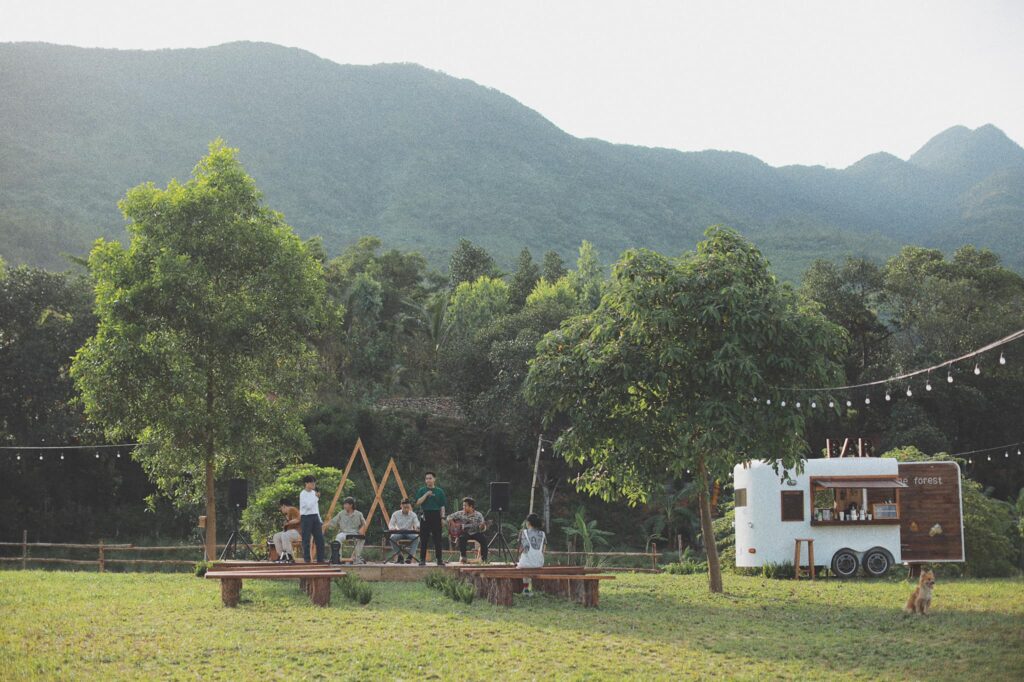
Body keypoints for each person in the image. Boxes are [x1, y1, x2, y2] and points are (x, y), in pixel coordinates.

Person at [414, 471, 447, 566]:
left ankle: (439, 559)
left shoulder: (439, 491)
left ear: (434, 479)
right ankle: (422, 559)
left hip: (436, 515)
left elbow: (442, 506)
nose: (428, 480)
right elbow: (418, 502)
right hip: (425, 514)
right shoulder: (422, 490)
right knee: (424, 538)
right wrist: (426, 494)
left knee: (438, 539)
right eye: (426, 478)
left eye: (430, 478)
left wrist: (443, 518)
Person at [324, 496, 367, 564]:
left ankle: (356, 557)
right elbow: (333, 522)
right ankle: (338, 558)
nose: (344, 506)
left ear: (351, 505)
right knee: (338, 538)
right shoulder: (341, 513)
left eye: (346, 504)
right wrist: (324, 526)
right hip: (344, 533)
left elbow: (364, 523)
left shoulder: (358, 514)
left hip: (355, 532)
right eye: (344, 504)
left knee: (362, 538)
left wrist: (362, 530)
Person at [446, 497, 488, 563]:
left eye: (465, 505)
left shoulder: (478, 515)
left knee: (484, 539)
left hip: (475, 532)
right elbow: (448, 517)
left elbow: (482, 528)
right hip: (464, 532)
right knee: (462, 538)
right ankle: (463, 557)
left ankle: (484, 559)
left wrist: (482, 526)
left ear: (471, 506)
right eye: (463, 505)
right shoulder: (460, 513)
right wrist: (454, 524)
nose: (463, 507)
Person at [299, 475, 326, 563]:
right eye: (311, 482)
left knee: (320, 539)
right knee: (306, 539)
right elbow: (308, 506)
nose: (313, 484)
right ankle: (307, 560)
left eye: (314, 482)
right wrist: (316, 498)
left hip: (315, 517)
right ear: (306, 483)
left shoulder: (314, 493)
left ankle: (320, 560)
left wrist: (319, 519)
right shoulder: (303, 494)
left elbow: (315, 508)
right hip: (306, 517)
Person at [517, 513, 546, 595]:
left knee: (523, 566)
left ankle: (526, 589)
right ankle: (529, 589)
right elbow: (543, 550)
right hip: (539, 563)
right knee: (527, 566)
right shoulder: (542, 534)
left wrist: (519, 555)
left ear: (528, 523)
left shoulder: (524, 532)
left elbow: (523, 549)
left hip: (527, 563)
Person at [388, 498, 421, 563]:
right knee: (391, 538)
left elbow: (417, 523)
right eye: (404, 506)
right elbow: (391, 524)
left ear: (409, 506)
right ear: (401, 506)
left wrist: (418, 527)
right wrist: (393, 528)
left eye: (407, 506)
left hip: (410, 532)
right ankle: (400, 555)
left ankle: (410, 557)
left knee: (417, 538)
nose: (406, 507)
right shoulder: (395, 514)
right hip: (399, 532)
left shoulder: (413, 514)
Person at [272, 498, 301, 563]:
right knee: (276, 536)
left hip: (298, 532)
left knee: (285, 535)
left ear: (283, 506)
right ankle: (282, 556)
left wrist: (288, 523)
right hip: (290, 532)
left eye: (281, 508)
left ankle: (289, 556)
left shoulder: (292, 509)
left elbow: (298, 519)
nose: (280, 510)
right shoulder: (287, 513)